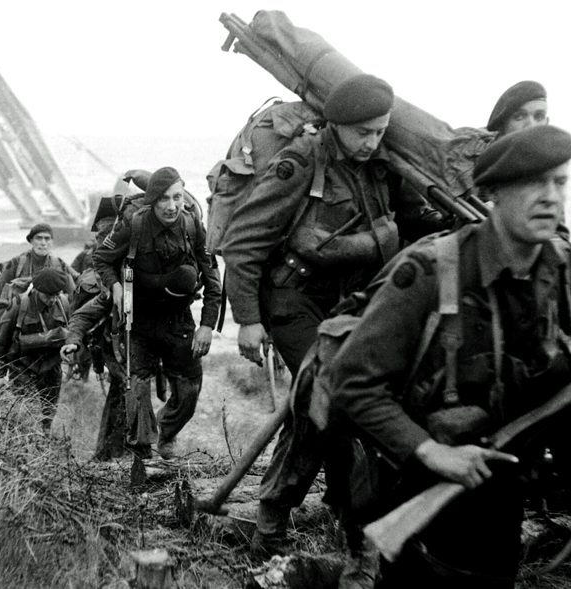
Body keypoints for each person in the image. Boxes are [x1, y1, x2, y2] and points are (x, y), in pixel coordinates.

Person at [221, 73, 449, 566]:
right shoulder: (301, 162)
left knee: (319, 407)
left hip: (350, 304)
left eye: (380, 131)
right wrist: (248, 319)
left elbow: (416, 223)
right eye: (363, 132)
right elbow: (244, 240)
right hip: (293, 298)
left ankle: (285, 518)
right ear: (336, 125)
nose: (372, 141)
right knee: (336, 402)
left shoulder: (384, 165)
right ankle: (345, 533)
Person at [330, 124, 571, 588]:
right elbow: (352, 382)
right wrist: (431, 452)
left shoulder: (561, 270)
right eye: (531, 183)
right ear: (493, 193)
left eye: (559, 182)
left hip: (502, 485)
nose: (549, 198)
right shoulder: (428, 272)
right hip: (418, 483)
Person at [93, 166, 221, 459]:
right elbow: (101, 259)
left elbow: (213, 280)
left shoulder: (192, 226)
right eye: (164, 198)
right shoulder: (134, 224)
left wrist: (207, 326)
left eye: (177, 197)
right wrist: (115, 286)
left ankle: (166, 431)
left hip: (178, 319)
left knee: (189, 390)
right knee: (137, 387)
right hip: (138, 318)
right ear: (152, 201)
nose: (172, 206)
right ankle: (142, 454)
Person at [0, 268, 71, 433]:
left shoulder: (63, 303)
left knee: (48, 412)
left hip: (52, 367)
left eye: (56, 295)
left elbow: (71, 331)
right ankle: (26, 442)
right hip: (23, 367)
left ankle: (44, 440)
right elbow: (1, 340)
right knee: (26, 413)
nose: (52, 299)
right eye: (48, 296)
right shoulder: (19, 304)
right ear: (37, 290)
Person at [61, 290, 127, 461]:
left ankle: (116, 452)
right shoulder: (116, 292)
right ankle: (109, 453)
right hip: (114, 347)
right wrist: (73, 341)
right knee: (123, 389)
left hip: (141, 351)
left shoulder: (160, 289)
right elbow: (81, 316)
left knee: (127, 392)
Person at [0, 223, 76, 300]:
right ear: (31, 240)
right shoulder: (16, 263)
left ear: (51, 242)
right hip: (22, 310)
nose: (43, 243)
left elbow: (73, 295)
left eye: (47, 239)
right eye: (39, 238)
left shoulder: (59, 264)